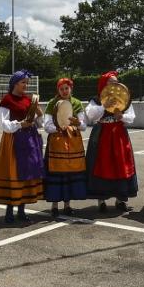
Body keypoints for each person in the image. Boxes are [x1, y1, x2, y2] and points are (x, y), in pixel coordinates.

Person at [0, 70, 45, 223]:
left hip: (29, 139)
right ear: (15, 83)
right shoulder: (7, 100)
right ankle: (9, 211)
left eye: (27, 83)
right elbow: (3, 124)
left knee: (26, 173)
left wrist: (39, 114)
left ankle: (21, 210)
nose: (26, 85)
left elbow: (37, 122)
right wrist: (19, 124)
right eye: (23, 82)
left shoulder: (28, 100)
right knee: (13, 173)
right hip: (13, 140)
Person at [84, 71, 138, 212]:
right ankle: (101, 199)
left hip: (119, 134)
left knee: (120, 165)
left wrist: (122, 116)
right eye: (111, 82)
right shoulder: (96, 99)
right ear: (104, 84)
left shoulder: (124, 98)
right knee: (101, 164)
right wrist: (104, 105)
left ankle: (120, 199)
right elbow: (90, 115)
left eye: (116, 81)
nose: (114, 84)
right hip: (102, 134)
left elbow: (132, 117)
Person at [42, 78, 88, 217]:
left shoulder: (77, 103)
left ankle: (67, 205)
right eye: (61, 89)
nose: (64, 91)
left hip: (72, 143)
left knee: (70, 173)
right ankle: (54, 205)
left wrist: (77, 122)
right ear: (58, 90)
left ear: (71, 89)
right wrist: (58, 127)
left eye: (66, 88)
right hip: (56, 142)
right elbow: (47, 125)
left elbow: (84, 126)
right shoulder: (52, 103)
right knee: (56, 173)